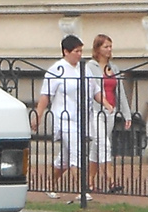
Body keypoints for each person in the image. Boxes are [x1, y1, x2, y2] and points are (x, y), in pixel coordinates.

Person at [31, 35, 110, 187]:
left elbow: (95, 90)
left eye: (81, 51)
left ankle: (50, 184)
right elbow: (46, 95)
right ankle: (82, 190)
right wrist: (38, 115)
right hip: (65, 118)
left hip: (82, 118)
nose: (80, 54)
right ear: (66, 52)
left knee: (65, 158)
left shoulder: (84, 68)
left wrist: (106, 104)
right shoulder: (56, 70)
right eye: (76, 51)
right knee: (76, 151)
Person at [87, 34, 132, 192]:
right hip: (95, 111)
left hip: (110, 111)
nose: (109, 49)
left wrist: (127, 114)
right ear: (97, 48)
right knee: (104, 144)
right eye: (105, 46)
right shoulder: (90, 67)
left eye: (110, 46)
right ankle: (111, 180)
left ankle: (90, 182)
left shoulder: (114, 68)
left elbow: (120, 91)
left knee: (96, 146)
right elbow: (90, 90)